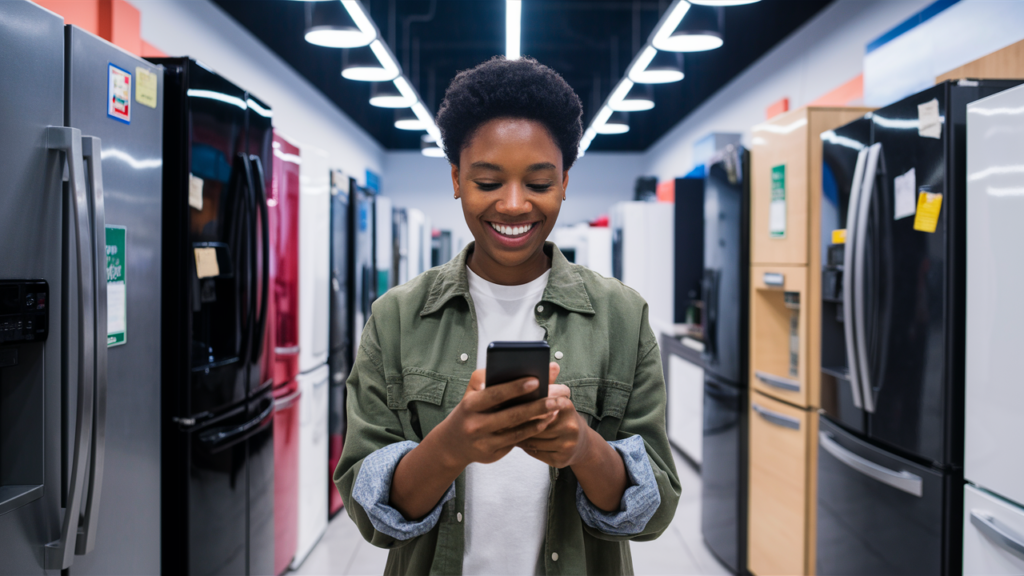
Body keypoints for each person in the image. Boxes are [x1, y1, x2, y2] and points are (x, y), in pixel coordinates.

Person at [334, 55, 680, 575]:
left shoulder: (621, 316)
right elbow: (371, 514)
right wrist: (450, 447)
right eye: (488, 182)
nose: (514, 205)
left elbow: (653, 508)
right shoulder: (396, 318)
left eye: (539, 183)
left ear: (565, 181)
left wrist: (583, 447)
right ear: (456, 178)